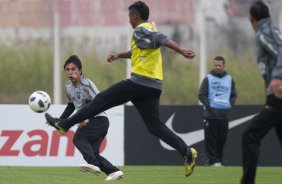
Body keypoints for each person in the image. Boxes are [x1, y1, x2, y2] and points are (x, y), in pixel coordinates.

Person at [45, 1, 197, 177]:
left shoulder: (141, 29)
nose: (128, 21)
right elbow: (137, 52)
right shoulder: (144, 33)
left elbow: (161, 39)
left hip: (140, 82)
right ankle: (186, 152)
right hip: (154, 86)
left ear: (134, 16)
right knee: (154, 126)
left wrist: (181, 50)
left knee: (100, 100)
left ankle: (64, 124)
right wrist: (119, 55)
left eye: (129, 17)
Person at [58, 55, 123, 181]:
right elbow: (71, 106)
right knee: (93, 152)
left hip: (99, 119)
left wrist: (86, 118)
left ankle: (93, 163)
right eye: (67, 69)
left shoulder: (87, 84)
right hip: (93, 121)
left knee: (78, 138)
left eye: (74, 69)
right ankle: (114, 171)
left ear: (80, 70)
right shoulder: (68, 87)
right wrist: (61, 120)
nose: (70, 72)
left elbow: (100, 102)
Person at [241, 1, 282, 184]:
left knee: (250, 136)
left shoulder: (264, 32)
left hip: (278, 97)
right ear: (270, 16)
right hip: (275, 96)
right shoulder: (273, 30)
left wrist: (278, 77)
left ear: (252, 19)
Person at [198, 56, 237, 167]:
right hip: (210, 114)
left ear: (224, 66)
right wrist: (210, 107)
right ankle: (212, 161)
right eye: (215, 65)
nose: (217, 67)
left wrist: (230, 106)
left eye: (220, 65)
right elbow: (201, 95)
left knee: (222, 140)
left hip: (224, 115)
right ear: (213, 65)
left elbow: (233, 95)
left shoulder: (229, 79)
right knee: (211, 140)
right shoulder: (208, 78)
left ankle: (219, 161)